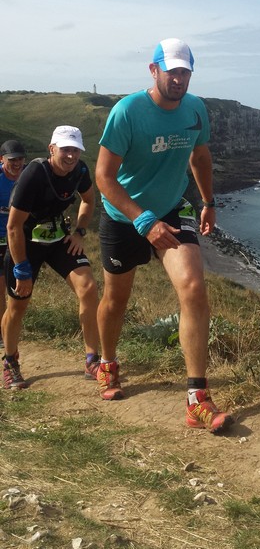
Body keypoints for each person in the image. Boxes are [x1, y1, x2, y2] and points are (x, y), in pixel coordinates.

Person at [95, 37, 232, 433]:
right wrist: (143, 221)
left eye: (185, 71)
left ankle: (196, 399)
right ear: (154, 70)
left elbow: (200, 155)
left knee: (193, 287)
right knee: (116, 300)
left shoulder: (195, 109)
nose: (179, 78)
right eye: (172, 71)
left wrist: (208, 202)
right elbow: (104, 177)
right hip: (124, 217)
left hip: (172, 209)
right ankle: (107, 362)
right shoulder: (127, 112)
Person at [2, 126, 100, 389]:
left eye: (76, 150)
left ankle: (92, 359)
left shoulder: (80, 171)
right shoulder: (34, 174)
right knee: (18, 305)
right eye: (65, 149)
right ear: (51, 149)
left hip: (57, 237)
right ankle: (10, 361)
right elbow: (13, 227)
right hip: (25, 242)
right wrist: (22, 269)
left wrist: (79, 232)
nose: (71, 156)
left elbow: (88, 200)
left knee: (88, 288)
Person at [0, 140, 26, 349]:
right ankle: (3, 334)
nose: (17, 163)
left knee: (17, 286)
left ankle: (8, 327)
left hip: (19, 238)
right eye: (12, 160)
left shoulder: (28, 176)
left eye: (20, 159)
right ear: (2, 159)